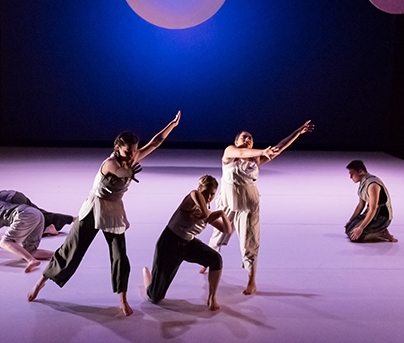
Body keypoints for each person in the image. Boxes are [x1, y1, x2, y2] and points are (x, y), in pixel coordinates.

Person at [27, 111, 181, 316]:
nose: (131, 154)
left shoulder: (131, 156)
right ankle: (40, 282)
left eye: (133, 150)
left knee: (119, 255)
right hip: (94, 208)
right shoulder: (111, 163)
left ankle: (122, 299)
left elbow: (155, 142)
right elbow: (120, 173)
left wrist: (171, 125)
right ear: (117, 147)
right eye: (127, 151)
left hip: (113, 210)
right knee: (71, 251)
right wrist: (129, 171)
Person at [204, 120, 314, 295]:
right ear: (237, 140)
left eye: (251, 138)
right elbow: (240, 152)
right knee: (217, 236)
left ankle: (251, 281)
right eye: (244, 137)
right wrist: (262, 150)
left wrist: (298, 132)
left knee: (249, 243)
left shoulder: (256, 161)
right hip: (227, 204)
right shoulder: (229, 152)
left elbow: (280, 147)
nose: (247, 139)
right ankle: (207, 260)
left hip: (248, 205)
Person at [143, 175, 232, 311]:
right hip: (169, 243)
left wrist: (222, 214)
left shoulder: (208, 213)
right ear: (200, 188)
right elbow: (194, 193)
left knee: (216, 259)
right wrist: (205, 214)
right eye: (206, 193)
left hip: (189, 244)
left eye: (212, 194)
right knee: (155, 297)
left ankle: (212, 297)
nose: (209, 197)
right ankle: (147, 278)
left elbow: (227, 229)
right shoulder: (190, 201)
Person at [0, 185, 75, 239]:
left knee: (31, 219)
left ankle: (49, 228)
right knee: (39, 213)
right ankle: (68, 220)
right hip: (14, 196)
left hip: (13, 199)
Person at [345, 160, 397, 243]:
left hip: (381, 216)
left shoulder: (372, 184)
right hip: (372, 213)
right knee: (348, 229)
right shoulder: (363, 182)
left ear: (360, 172)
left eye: (352, 174)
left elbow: (373, 209)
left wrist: (360, 228)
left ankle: (382, 232)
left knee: (356, 237)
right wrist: (351, 220)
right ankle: (371, 230)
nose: (350, 177)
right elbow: (360, 205)